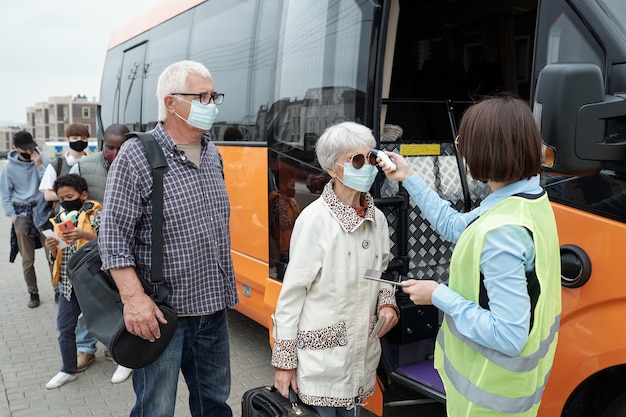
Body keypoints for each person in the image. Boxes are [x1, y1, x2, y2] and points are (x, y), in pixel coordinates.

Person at [377, 95, 561, 417]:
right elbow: (454, 225)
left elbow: (508, 335)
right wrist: (409, 176)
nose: (460, 148)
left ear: (487, 150)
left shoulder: (502, 232)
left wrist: (438, 295)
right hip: (506, 389)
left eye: (464, 141)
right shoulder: (527, 199)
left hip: (487, 399)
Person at [98, 60, 238, 417]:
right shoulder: (137, 153)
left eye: (213, 95)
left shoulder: (211, 152)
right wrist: (134, 300)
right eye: (202, 96)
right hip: (161, 316)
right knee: (155, 408)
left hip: (213, 308)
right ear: (171, 102)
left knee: (214, 404)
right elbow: (113, 235)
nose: (212, 104)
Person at [271, 121, 399, 417]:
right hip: (321, 364)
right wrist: (284, 363)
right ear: (331, 168)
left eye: (370, 158)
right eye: (356, 160)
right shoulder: (314, 220)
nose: (366, 166)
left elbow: (382, 274)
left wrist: (388, 304)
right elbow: (291, 296)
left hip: (359, 358)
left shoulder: (377, 217)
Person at [69, 123, 132, 382]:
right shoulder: (83, 168)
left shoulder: (138, 167)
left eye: (121, 147)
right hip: (91, 249)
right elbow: (68, 204)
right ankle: (85, 349)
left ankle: (114, 348)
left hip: (125, 249)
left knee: (118, 301)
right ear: (101, 144)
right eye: (110, 148)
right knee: (89, 303)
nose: (115, 153)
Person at [44, 174, 102, 389]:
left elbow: (110, 243)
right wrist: (53, 248)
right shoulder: (59, 218)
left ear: (83, 195)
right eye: (61, 198)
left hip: (95, 281)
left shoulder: (96, 213)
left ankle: (125, 360)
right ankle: (68, 370)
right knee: (65, 326)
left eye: (70, 196)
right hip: (69, 283)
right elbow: (60, 252)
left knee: (111, 321)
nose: (65, 201)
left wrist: (85, 236)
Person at [39, 123, 91, 305]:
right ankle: (61, 288)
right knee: (60, 251)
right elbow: (46, 193)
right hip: (63, 219)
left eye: (84, 138)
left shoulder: (90, 162)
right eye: (75, 138)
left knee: (84, 251)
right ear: (68, 140)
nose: (80, 141)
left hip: (86, 217)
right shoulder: (58, 164)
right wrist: (68, 196)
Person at [0, 131, 50, 308]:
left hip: (43, 214)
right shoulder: (9, 168)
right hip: (22, 215)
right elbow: (5, 195)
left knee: (52, 253)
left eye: (32, 146)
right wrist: (13, 217)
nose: (30, 150)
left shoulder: (42, 160)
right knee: (28, 260)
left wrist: (39, 167)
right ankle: (33, 293)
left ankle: (59, 289)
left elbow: (49, 186)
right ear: (15, 148)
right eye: (26, 148)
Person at [269, 172, 301, 280]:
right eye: (292, 186)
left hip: (287, 245)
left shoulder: (288, 201)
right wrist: (298, 220)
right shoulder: (281, 203)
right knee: (283, 273)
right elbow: (283, 223)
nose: (293, 189)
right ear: (282, 185)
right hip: (283, 247)